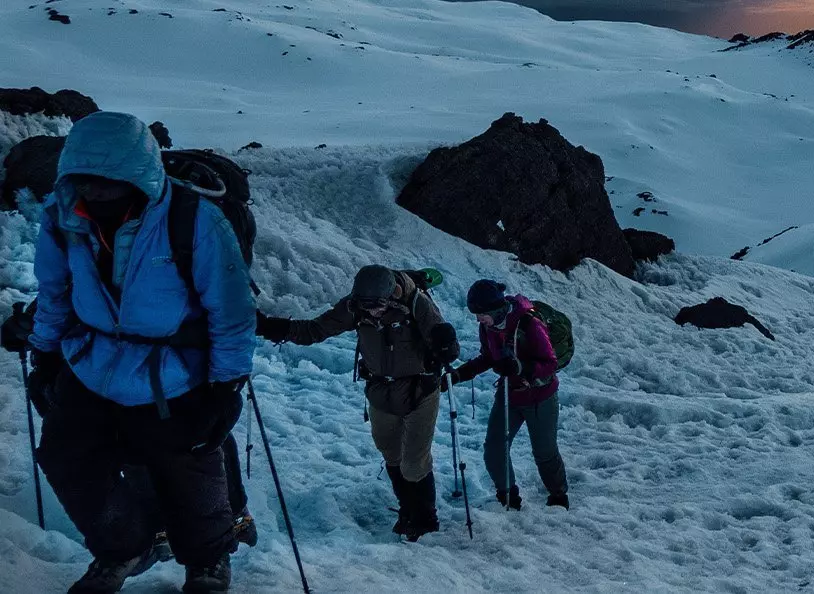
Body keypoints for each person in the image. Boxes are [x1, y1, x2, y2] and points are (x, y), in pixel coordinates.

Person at [28, 112, 255, 593]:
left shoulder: (193, 220)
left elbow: (232, 309)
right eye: (85, 178)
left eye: (109, 179)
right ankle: (125, 546)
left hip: (175, 371)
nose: (97, 189)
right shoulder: (63, 218)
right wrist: (45, 354)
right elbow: (54, 292)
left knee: (188, 468)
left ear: (138, 173)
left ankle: (208, 560)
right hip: (90, 363)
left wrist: (226, 385)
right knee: (67, 457)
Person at [255, 265, 458, 541]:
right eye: (366, 307)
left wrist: (446, 345)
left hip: (419, 392)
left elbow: (444, 341)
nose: (371, 313)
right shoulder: (355, 307)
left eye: (377, 307)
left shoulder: (416, 304)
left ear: (392, 296)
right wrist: (270, 327)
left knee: (414, 462)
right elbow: (315, 329)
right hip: (380, 392)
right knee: (391, 454)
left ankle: (425, 519)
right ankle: (407, 509)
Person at [451, 280, 569, 510]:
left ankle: (558, 494)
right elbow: (488, 357)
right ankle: (507, 493)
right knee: (494, 447)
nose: (478, 319)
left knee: (544, 451)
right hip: (509, 394)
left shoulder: (529, 324)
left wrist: (520, 368)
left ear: (495, 310)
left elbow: (549, 363)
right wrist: (459, 374)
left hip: (539, 396)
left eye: (481, 314)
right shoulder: (488, 327)